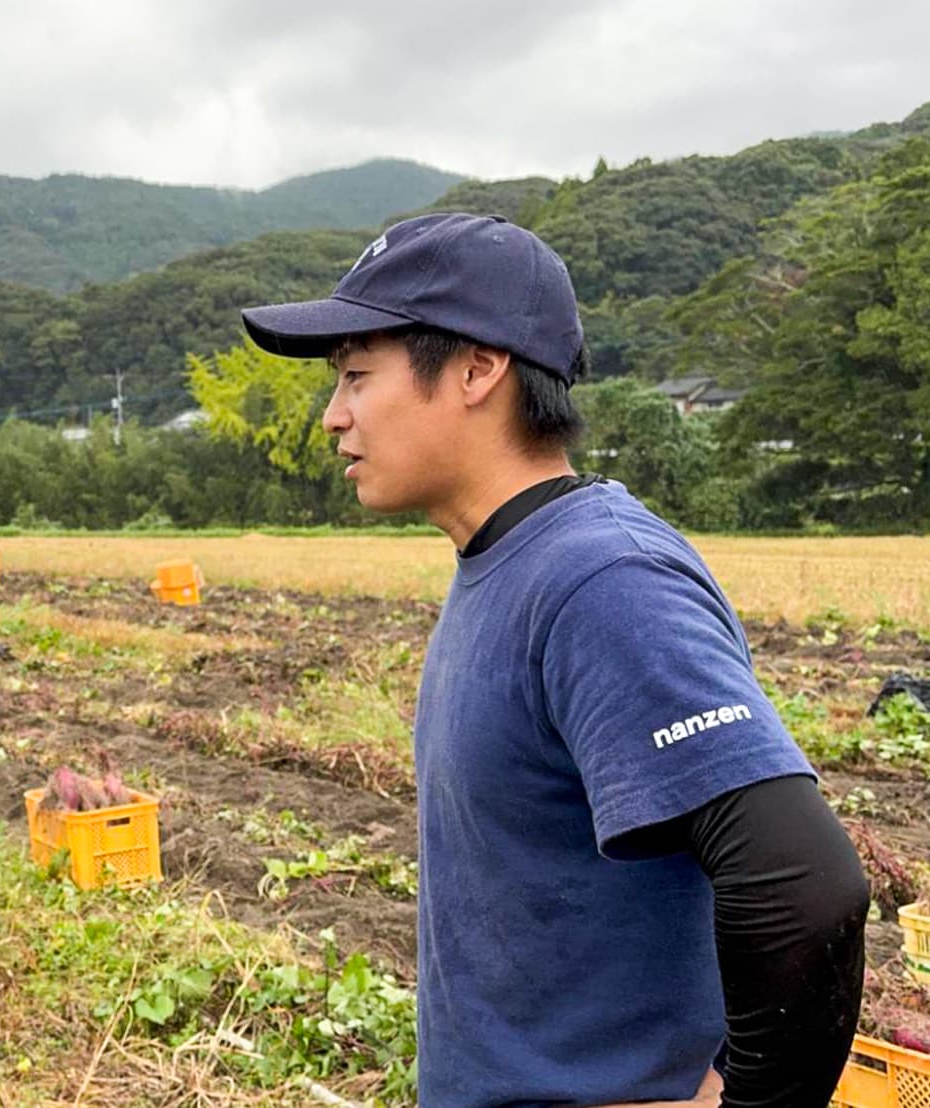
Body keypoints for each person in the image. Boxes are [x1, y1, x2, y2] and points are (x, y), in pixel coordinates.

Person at [241, 213, 870, 1108]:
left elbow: (804, 887)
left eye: (353, 375)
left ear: (476, 367)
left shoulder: (602, 579)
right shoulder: (506, 562)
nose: (333, 415)